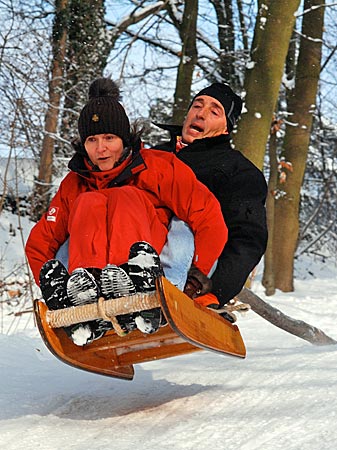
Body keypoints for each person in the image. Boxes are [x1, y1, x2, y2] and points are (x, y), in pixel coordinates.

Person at [25, 77, 228, 345]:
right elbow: (40, 243)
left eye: (109, 137)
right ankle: (86, 295)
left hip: (151, 268)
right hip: (92, 278)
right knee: (89, 202)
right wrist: (51, 286)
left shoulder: (158, 167)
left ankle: (133, 281)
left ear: (124, 138)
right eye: (92, 140)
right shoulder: (74, 185)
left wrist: (196, 277)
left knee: (124, 196)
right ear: (83, 145)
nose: (101, 148)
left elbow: (208, 217)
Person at [154, 82, 268, 307]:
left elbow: (247, 238)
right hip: (138, 250)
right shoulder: (152, 156)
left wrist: (217, 291)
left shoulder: (238, 171)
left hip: (194, 273)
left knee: (181, 224)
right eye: (197, 105)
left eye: (214, 111)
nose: (201, 113)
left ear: (226, 128)